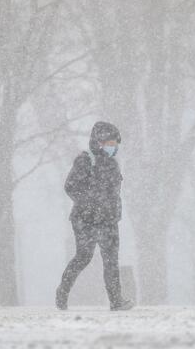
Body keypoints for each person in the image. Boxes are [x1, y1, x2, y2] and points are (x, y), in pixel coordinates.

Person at [56, 121, 133, 311]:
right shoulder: (85, 160)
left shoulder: (113, 165)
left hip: (109, 220)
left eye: (115, 144)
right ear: (99, 142)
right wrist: (92, 203)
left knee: (111, 260)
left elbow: (113, 192)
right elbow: (70, 187)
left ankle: (116, 301)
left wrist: (113, 211)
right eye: (109, 144)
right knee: (83, 257)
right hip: (86, 220)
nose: (113, 148)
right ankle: (62, 292)